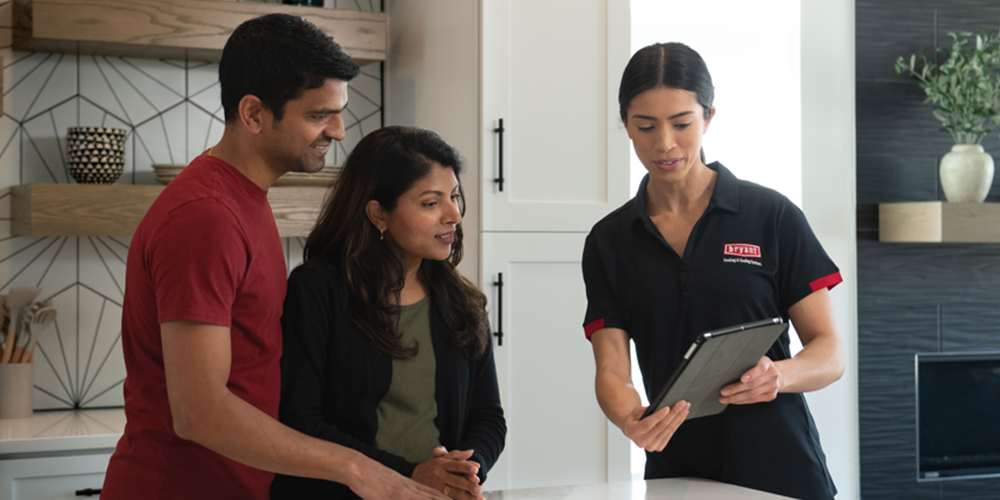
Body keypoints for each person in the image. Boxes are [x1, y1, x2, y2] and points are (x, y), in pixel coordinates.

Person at [102, 14, 448, 500]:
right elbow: (198, 410)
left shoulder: (247, 198)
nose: (340, 131)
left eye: (340, 111)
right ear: (253, 113)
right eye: (317, 115)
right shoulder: (207, 217)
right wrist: (356, 467)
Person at [582, 42, 845, 500]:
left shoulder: (772, 215)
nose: (664, 143)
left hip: (781, 469)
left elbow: (830, 352)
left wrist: (779, 376)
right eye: (645, 126)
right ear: (625, 124)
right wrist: (631, 417)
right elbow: (612, 370)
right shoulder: (609, 240)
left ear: (708, 117)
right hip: (676, 471)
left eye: (682, 123)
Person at [269, 126, 506, 500]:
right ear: (378, 213)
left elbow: (489, 417)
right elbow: (302, 421)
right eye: (431, 203)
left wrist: (463, 471)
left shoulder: (461, 300)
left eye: (454, 196)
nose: (454, 215)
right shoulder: (318, 289)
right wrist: (410, 475)